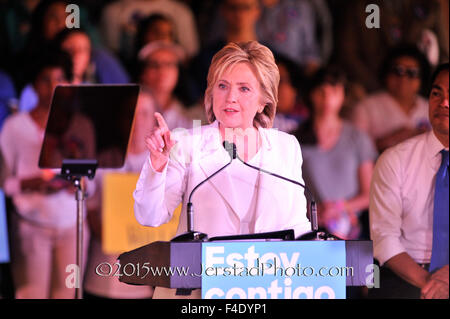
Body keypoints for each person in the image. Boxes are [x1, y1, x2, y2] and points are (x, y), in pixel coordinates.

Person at [133, 41, 311, 298]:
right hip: (195, 289)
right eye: (223, 86)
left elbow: (298, 226)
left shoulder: (286, 146)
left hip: (265, 289)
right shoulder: (185, 143)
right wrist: (156, 167)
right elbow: (150, 217)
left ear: (264, 100)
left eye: (244, 88)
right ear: (211, 92)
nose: (231, 98)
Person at [0, 49, 89, 299]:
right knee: (31, 293)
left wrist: (75, 182)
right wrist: (35, 183)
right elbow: (6, 183)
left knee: (68, 293)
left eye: (59, 79)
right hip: (31, 225)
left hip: (72, 223)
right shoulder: (15, 127)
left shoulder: (80, 124)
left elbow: (92, 178)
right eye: (45, 79)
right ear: (34, 83)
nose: (53, 87)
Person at [369, 63, 449, 299]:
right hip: (407, 273)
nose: (444, 103)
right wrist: (433, 285)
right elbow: (384, 238)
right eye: (437, 94)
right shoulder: (395, 160)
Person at [83, 90, 156, 299]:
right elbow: (90, 209)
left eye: (144, 113)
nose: (137, 120)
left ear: (154, 119)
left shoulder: (165, 166)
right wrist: (112, 236)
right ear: (121, 119)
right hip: (103, 274)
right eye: (131, 113)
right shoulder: (103, 162)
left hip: (148, 279)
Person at [294, 67, 377, 240]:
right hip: (308, 227)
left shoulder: (357, 137)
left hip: (351, 228)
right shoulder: (295, 138)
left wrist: (339, 207)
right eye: (321, 91)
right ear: (311, 94)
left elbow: (368, 194)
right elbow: (288, 191)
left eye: (334, 91)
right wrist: (314, 211)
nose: (327, 98)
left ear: (343, 96)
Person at [352, 45, 432, 153]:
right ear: (386, 73)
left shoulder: (431, 108)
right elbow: (355, 153)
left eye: (412, 73)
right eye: (398, 71)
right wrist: (392, 139)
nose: (403, 78)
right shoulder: (366, 107)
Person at [137, 41, 204, 129]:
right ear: (143, 73)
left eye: (169, 64)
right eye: (154, 65)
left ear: (178, 72)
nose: (162, 70)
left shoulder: (195, 116)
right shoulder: (131, 113)